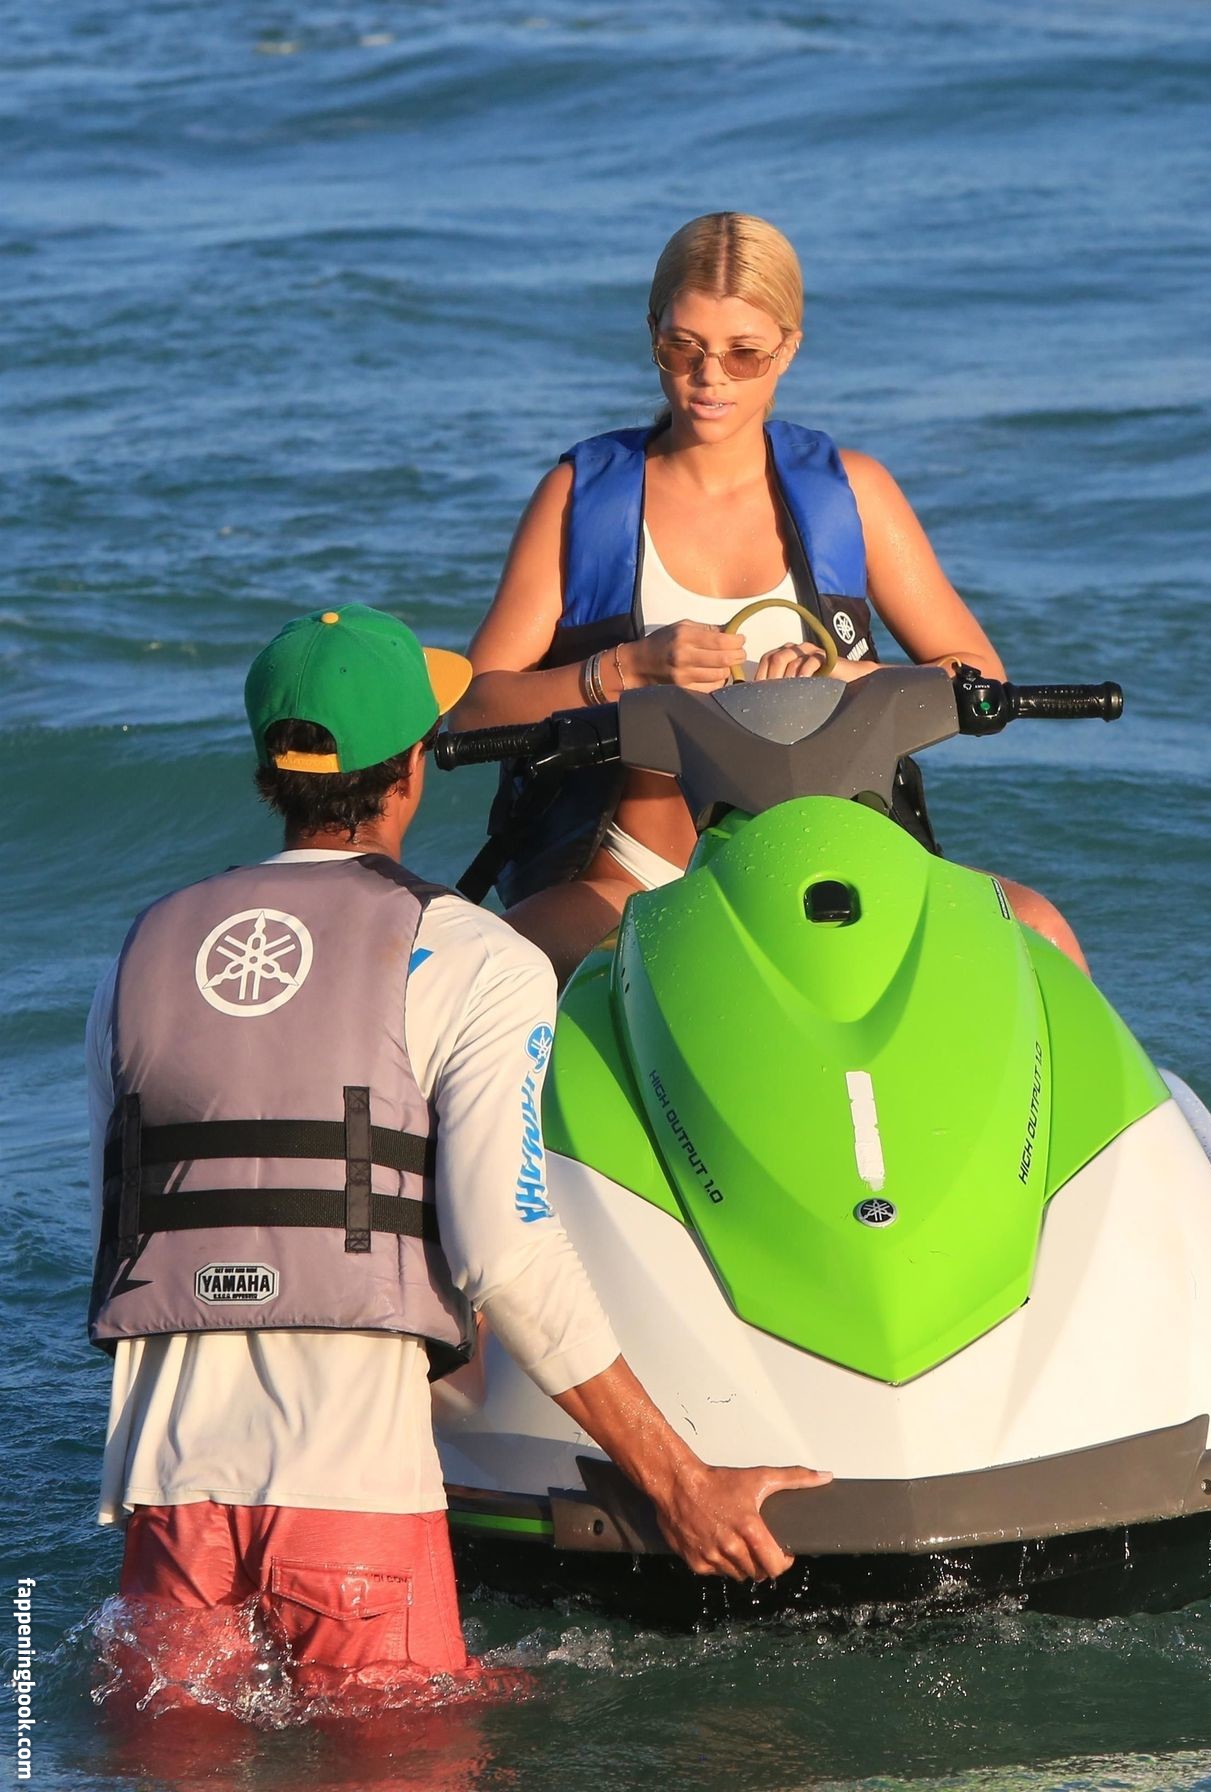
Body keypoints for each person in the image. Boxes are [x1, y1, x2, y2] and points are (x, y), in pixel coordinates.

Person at [87, 603, 827, 1712]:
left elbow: (134, 1217)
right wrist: (681, 1484)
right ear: (412, 769)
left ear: (267, 771)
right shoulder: (475, 953)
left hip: (165, 1493)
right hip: (354, 1494)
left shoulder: (143, 947)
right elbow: (504, 1252)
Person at [450, 211, 1088, 985]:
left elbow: (978, 683)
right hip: (636, 878)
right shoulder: (578, 497)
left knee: (1041, 930)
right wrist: (625, 669)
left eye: (744, 353)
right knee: (486, 971)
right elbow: (473, 709)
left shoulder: (854, 492)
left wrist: (841, 679)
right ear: (651, 334)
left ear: (788, 348)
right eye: (682, 347)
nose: (709, 377)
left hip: (842, 859)